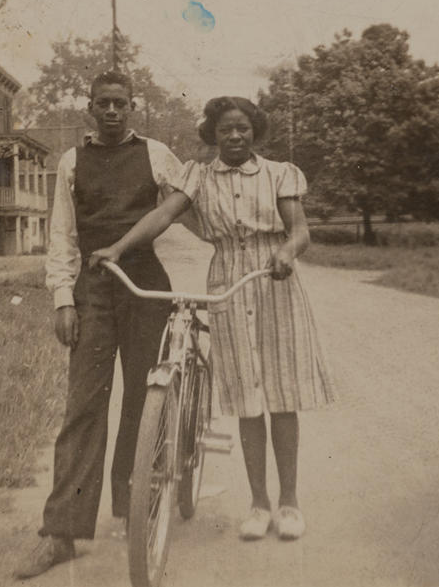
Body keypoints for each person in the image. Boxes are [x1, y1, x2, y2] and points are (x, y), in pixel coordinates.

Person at [90, 96, 337, 542]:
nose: (236, 136)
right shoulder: (198, 177)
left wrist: (287, 251)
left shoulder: (279, 173)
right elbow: (163, 214)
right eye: (226, 129)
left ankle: (289, 503)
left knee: (282, 396)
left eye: (243, 128)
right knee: (246, 398)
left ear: (254, 131)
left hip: (275, 281)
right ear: (213, 134)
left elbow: (300, 230)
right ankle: (259, 504)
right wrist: (119, 248)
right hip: (227, 281)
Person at [14, 70, 184, 580]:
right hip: (93, 287)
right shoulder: (72, 161)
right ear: (89, 107)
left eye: (120, 103)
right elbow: (62, 236)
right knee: (84, 405)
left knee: (143, 397)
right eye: (103, 103)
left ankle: (134, 507)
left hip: (146, 284)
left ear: (132, 106)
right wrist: (63, 299)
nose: (111, 111)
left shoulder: (158, 155)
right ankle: (62, 532)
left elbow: (187, 204)